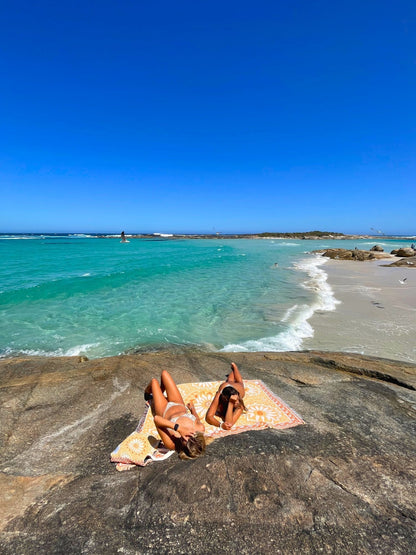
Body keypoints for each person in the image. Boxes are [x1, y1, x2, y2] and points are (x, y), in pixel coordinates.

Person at [145, 370, 206, 459]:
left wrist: (179, 428)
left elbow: (157, 419)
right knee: (164, 373)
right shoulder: (200, 429)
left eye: (184, 442)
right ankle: (159, 393)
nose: (184, 438)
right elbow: (197, 420)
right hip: (178, 403)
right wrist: (192, 409)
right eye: (188, 438)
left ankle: (148, 392)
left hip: (164, 409)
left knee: (154, 382)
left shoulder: (172, 444)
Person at [205, 362, 247, 430]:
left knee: (240, 382)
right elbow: (209, 417)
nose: (237, 402)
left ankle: (235, 368)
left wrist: (231, 403)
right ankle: (233, 369)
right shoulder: (219, 396)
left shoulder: (239, 403)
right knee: (229, 380)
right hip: (225, 387)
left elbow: (229, 423)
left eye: (237, 400)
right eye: (235, 401)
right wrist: (221, 425)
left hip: (237, 388)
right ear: (225, 401)